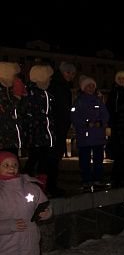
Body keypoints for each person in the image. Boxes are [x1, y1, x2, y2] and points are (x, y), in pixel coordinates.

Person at [70, 76, 110, 191]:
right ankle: (86, 180)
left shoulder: (98, 101)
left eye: (93, 86)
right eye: (88, 86)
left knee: (98, 159)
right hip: (84, 136)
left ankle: (97, 179)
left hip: (97, 135)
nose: (91, 88)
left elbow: (105, 114)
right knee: (85, 160)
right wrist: (86, 124)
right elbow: (74, 117)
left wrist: (100, 122)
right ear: (83, 88)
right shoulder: (78, 102)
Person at [46, 61, 76, 197]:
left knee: (54, 157)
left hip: (59, 126)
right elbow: (61, 108)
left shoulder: (62, 85)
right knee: (53, 157)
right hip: (56, 126)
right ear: (62, 72)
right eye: (68, 72)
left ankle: (51, 185)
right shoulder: (59, 85)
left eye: (73, 73)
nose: (70, 75)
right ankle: (50, 186)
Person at [23, 64, 55, 184]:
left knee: (43, 161)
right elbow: (28, 114)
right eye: (48, 76)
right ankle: (27, 183)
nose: (50, 79)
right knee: (34, 159)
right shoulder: (31, 93)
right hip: (36, 134)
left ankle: (42, 185)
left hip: (44, 133)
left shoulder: (46, 93)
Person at [0, 62, 27, 157]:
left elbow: (20, 111)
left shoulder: (10, 89)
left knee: (13, 158)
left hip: (12, 135)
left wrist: (24, 96)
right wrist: (17, 97)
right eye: (14, 75)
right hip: (3, 137)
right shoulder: (3, 90)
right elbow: (7, 110)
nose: (16, 78)